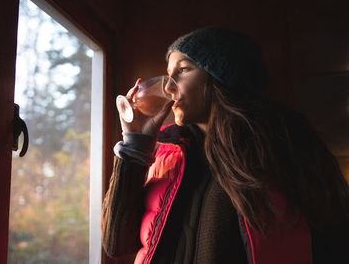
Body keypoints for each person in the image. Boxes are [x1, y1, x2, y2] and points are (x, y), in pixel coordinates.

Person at [101, 27, 349, 264]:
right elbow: (116, 244)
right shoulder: (166, 151)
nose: (168, 86)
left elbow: (330, 242)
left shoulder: (282, 146)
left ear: (222, 77)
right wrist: (135, 145)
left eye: (184, 69)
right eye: (168, 72)